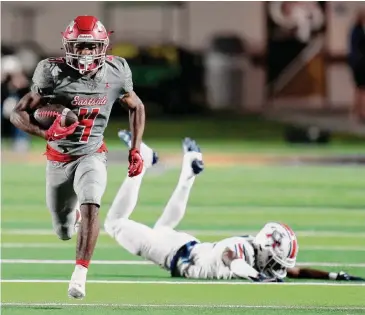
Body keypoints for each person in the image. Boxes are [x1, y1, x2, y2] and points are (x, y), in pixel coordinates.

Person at [105, 132, 364, 283]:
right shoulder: (241, 253)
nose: (277, 269)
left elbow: (297, 270)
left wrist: (332, 275)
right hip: (176, 253)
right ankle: (145, 163)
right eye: (274, 262)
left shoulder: (257, 249)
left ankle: (187, 170)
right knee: (114, 224)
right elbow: (233, 261)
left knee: (159, 225)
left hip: (184, 249)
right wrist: (258, 279)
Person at [10, 16, 145, 299]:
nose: (85, 52)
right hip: (58, 158)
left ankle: (80, 274)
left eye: (90, 46)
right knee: (62, 229)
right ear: (68, 45)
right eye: (79, 46)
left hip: (92, 153)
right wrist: (45, 132)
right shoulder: (50, 72)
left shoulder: (116, 70)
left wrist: (135, 148)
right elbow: (18, 113)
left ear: (102, 47)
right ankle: (68, 219)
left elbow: (136, 106)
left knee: (91, 202)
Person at [348, 9, 365, 122]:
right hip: (360, 63)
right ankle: (360, 112)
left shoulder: (354, 30)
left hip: (355, 63)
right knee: (362, 88)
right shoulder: (358, 32)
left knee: (359, 88)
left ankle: (356, 111)